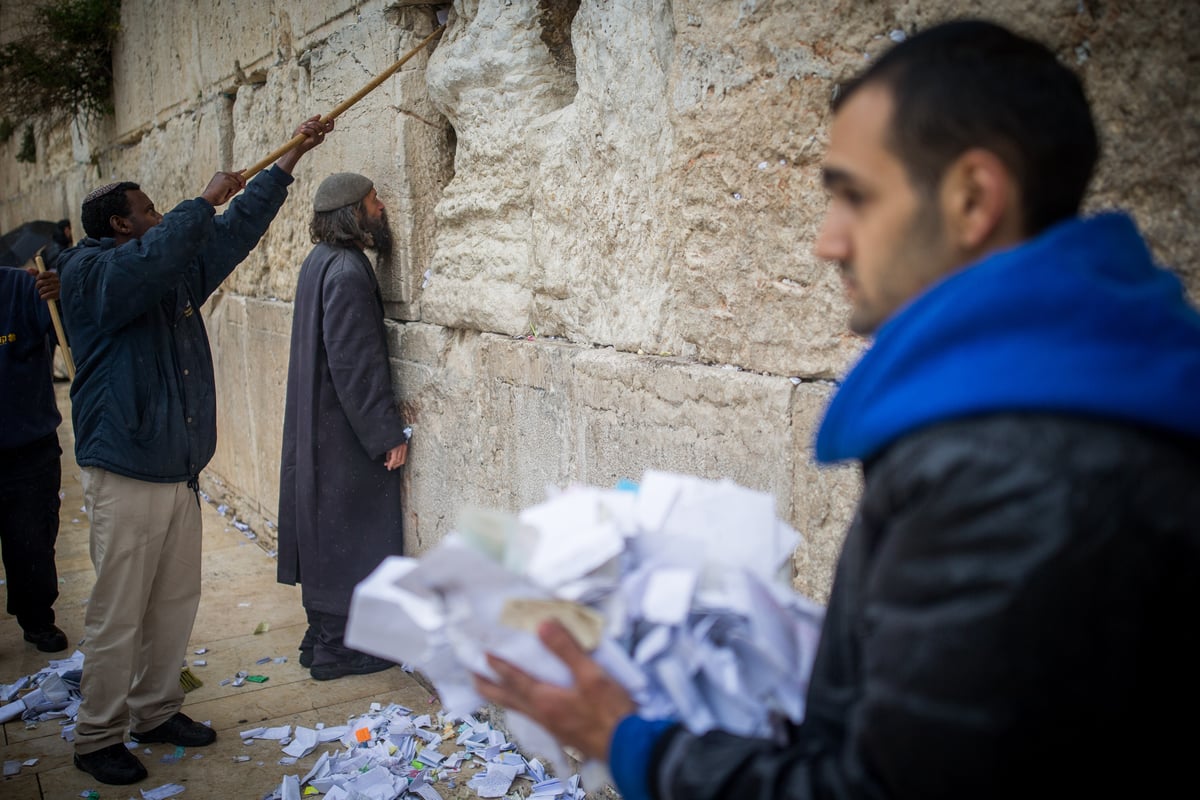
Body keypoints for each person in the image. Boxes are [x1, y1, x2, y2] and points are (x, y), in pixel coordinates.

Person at [473, 19, 1200, 799]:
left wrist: (631, 744)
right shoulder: (1070, 394)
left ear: (973, 198)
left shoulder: (1006, 469)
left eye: (853, 196)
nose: (827, 241)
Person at [57, 115, 332, 786]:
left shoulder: (165, 272)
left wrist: (290, 156)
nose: (158, 216)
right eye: (148, 209)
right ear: (122, 226)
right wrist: (202, 200)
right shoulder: (91, 273)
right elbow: (154, 261)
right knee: (119, 611)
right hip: (123, 466)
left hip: (175, 469)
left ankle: (155, 711)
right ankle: (97, 735)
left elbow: (233, 236)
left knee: (174, 600)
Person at [277, 172, 410, 682]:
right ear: (354, 212)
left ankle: (323, 636)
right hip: (343, 432)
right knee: (352, 534)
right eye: (375, 201)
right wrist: (385, 434)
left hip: (322, 425)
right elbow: (355, 365)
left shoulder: (320, 262)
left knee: (327, 532)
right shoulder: (349, 271)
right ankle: (337, 648)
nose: (381, 208)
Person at [0, 266, 68, 654]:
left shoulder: (24, 287)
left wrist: (60, 295)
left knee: (33, 540)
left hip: (29, 446)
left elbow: (71, 334)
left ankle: (38, 618)